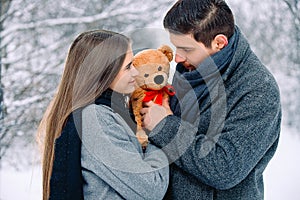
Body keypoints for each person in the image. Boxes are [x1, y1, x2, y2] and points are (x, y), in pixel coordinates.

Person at [140, 0, 282, 199]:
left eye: (186, 49)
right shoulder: (191, 68)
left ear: (219, 43)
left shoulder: (258, 90)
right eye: (176, 47)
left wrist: (165, 126)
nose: (177, 58)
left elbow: (225, 168)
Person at [37, 30, 169, 200]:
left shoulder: (103, 112)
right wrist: (160, 129)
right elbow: (152, 188)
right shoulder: (96, 118)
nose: (136, 73)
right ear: (103, 72)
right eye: (128, 67)